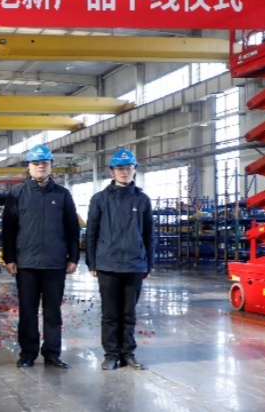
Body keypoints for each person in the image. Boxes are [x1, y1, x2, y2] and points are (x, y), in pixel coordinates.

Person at [2, 144, 80, 370]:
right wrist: (9, 258)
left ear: (50, 166)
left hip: (55, 263)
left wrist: (73, 257)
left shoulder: (62, 195)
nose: (40, 167)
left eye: (44, 163)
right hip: (26, 262)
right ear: (29, 167)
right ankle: (27, 353)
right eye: (36, 164)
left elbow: (72, 229)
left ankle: (52, 353)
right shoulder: (17, 194)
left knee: (53, 311)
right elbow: (8, 229)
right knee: (27, 311)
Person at [85, 148, 154, 371]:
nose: (125, 172)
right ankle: (111, 354)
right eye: (120, 168)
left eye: (128, 168)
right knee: (110, 313)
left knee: (129, 313)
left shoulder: (142, 200)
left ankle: (128, 354)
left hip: (134, 264)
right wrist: (92, 263)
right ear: (112, 172)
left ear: (135, 170)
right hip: (107, 264)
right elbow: (92, 232)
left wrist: (148, 264)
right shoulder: (99, 200)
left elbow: (149, 234)